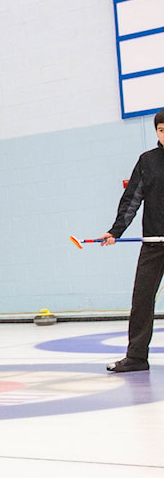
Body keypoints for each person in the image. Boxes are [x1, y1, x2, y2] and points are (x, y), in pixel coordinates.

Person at [99, 108, 164, 373]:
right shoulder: (147, 161)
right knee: (141, 300)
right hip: (154, 244)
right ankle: (136, 357)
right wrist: (116, 231)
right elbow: (132, 199)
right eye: (161, 130)